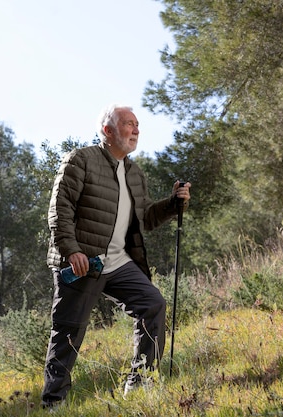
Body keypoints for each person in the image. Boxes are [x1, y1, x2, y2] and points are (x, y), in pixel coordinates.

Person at [41, 104, 191, 407]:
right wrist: (72, 251)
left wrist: (173, 203)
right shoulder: (80, 161)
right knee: (69, 332)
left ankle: (139, 384)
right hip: (83, 262)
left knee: (152, 304)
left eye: (137, 124)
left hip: (120, 262)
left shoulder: (134, 173)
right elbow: (60, 211)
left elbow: (145, 218)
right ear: (107, 130)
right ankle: (53, 403)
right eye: (128, 124)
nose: (135, 130)